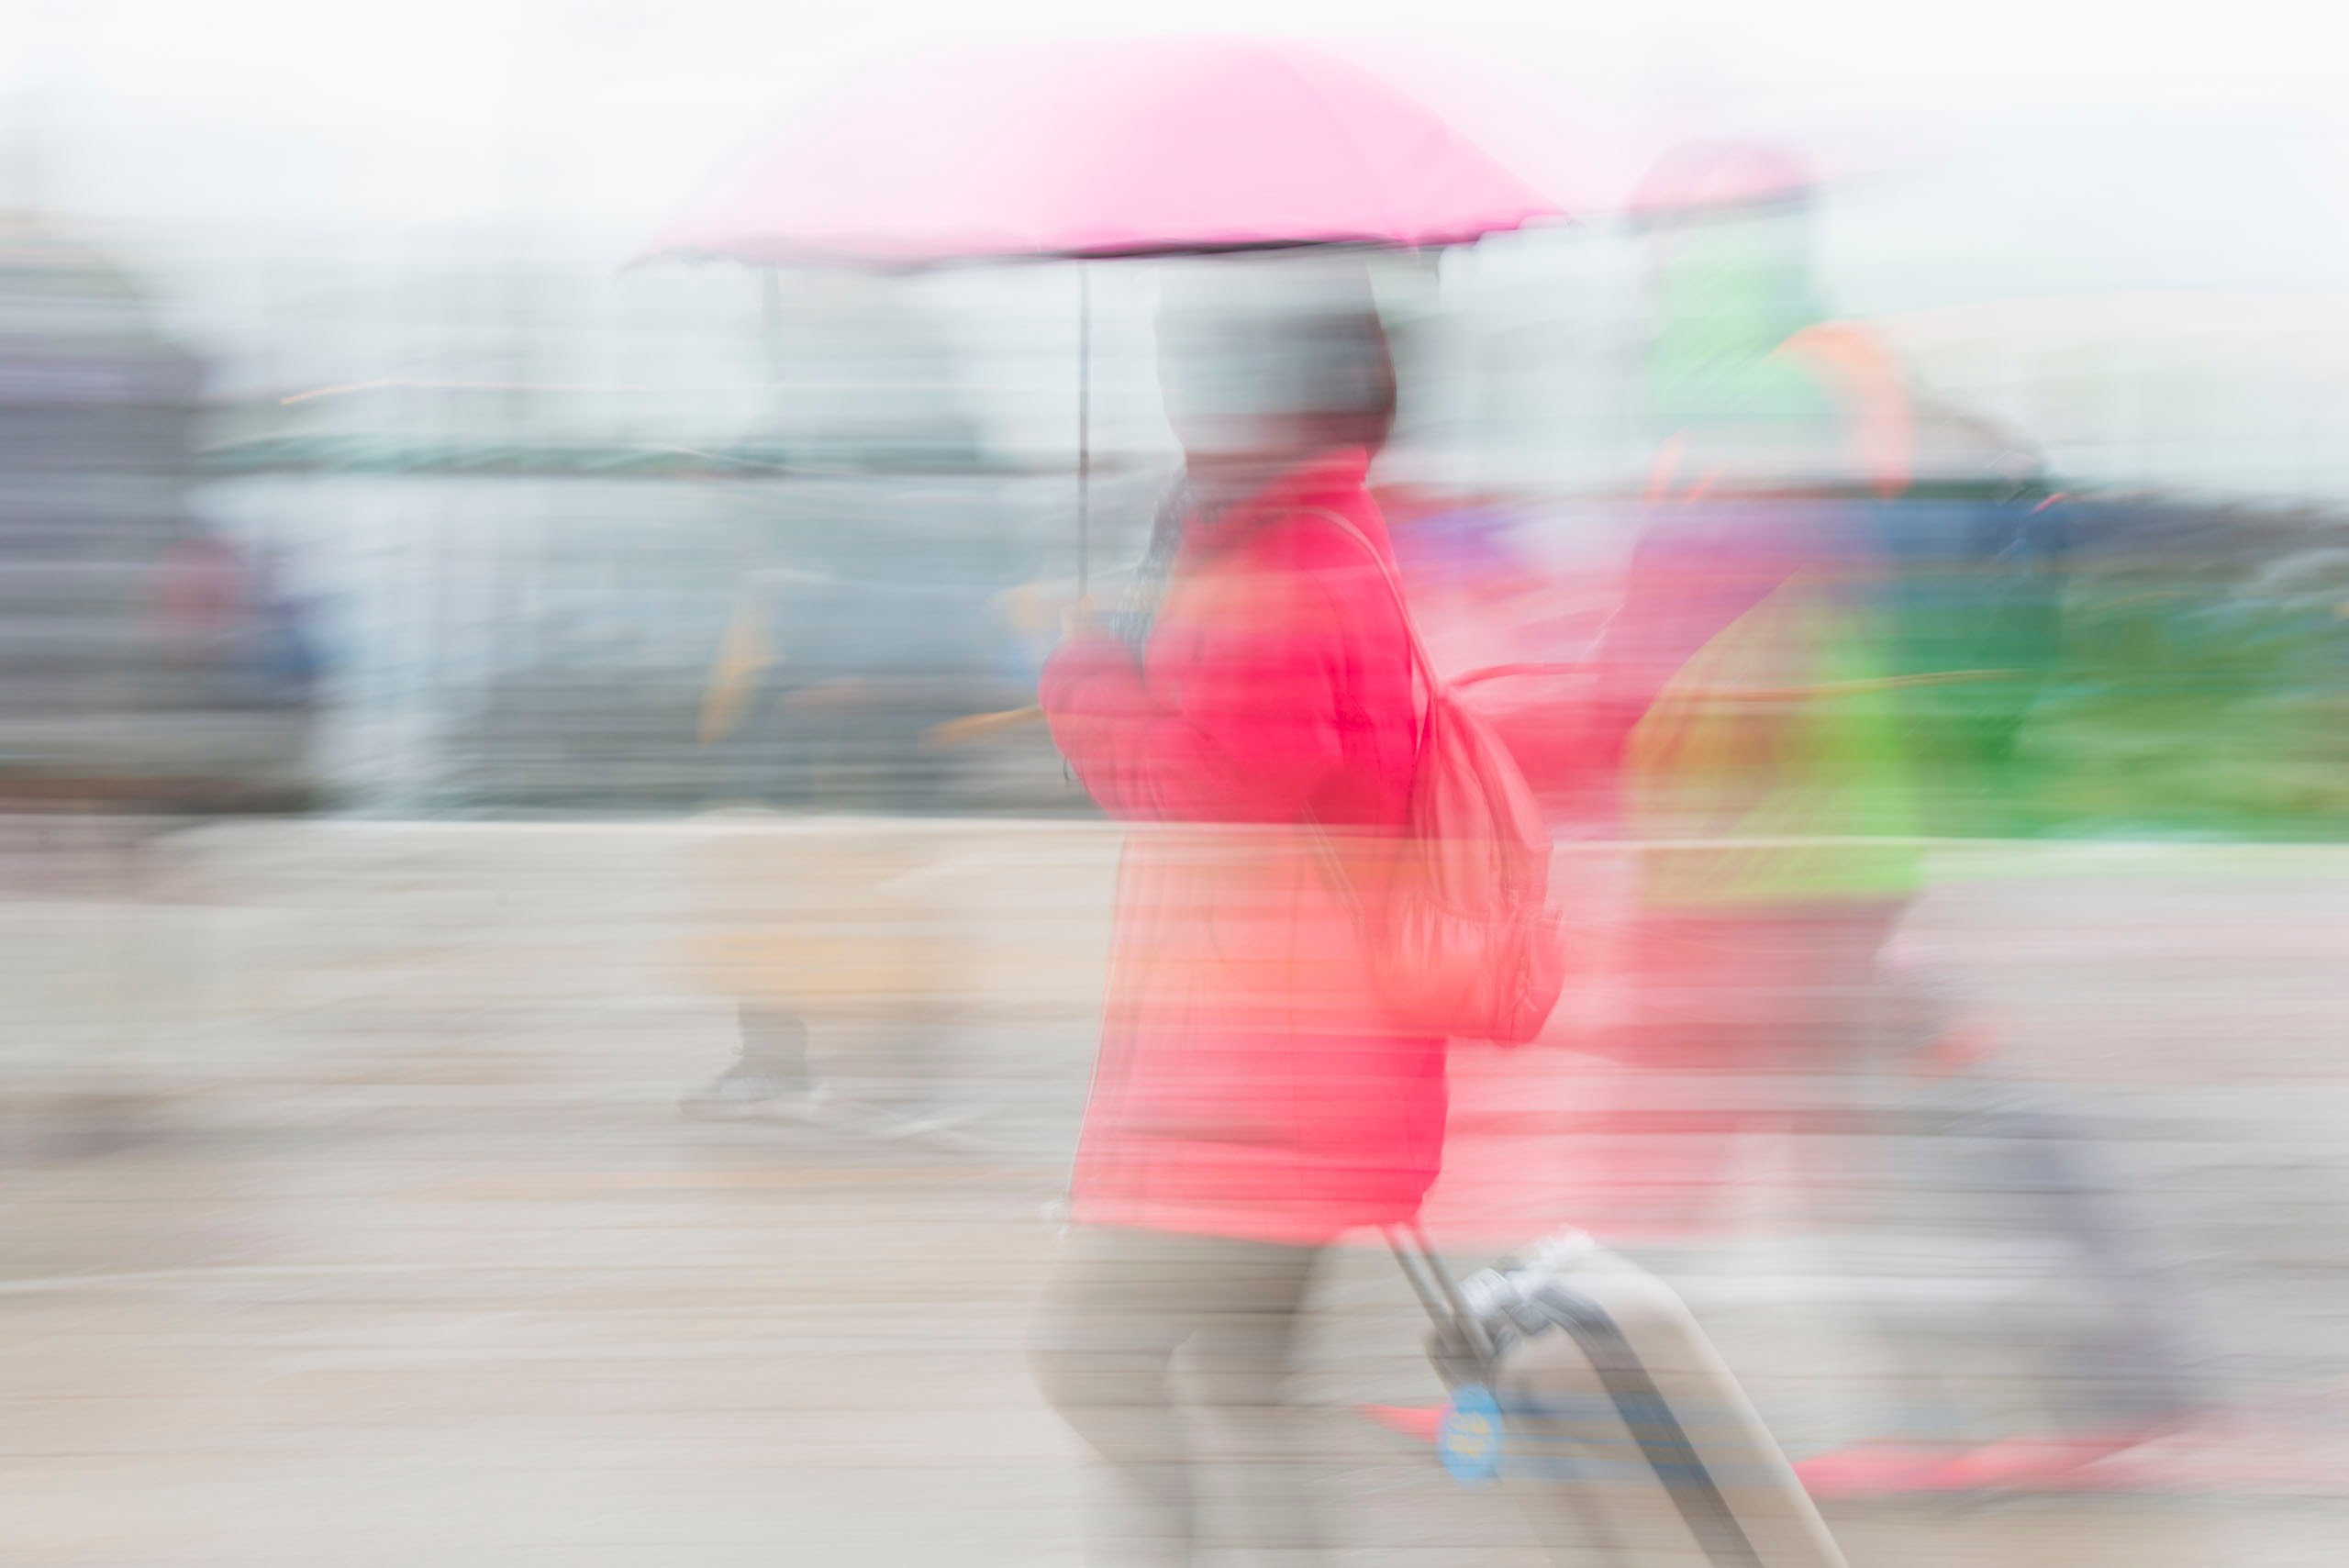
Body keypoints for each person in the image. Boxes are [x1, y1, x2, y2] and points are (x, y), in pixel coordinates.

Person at [1028, 261, 1431, 1568]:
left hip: (1261, 1069)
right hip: (1281, 1053)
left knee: (1091, 1357)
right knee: (1246, 1388)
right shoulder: (1296, 531)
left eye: (1196, 375)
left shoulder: (1285, 557)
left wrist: (1084, 678)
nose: (1178, 403)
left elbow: (1224, 792)